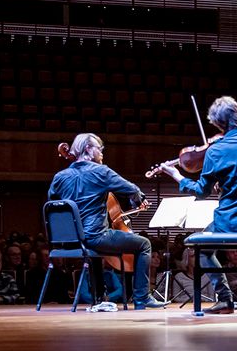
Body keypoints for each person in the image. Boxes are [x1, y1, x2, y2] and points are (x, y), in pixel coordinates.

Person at [158, 96, 237, 314]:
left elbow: (201, 191)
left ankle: (225, 299)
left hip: (228, 222)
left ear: (219, 124)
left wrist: (177, 176)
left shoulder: (216, 150)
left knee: (202, 250)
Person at [48, 132, 166, 310]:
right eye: (99, 148)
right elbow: (131, 188)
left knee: (95, 246)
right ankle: (142, 297)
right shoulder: (101, 172)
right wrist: (138, 199)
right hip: (95, 237)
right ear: (88, 149)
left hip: (67, 241)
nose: (102, 152)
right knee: (144, 245)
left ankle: (98, 297)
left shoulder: (59, 177)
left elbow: (53, 203)